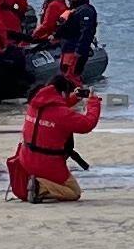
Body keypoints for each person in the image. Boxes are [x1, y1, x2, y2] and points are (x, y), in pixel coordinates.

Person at [8, 68, 103, 201]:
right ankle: (39, 187)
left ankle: (34, 181)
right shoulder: (61, 114)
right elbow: (87, 124)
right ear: (63, 93)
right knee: (73, 192)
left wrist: (75, 97)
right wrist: (93, 103)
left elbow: (54, 105)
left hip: (26, 158)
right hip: (48, 163)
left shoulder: (33, 104)